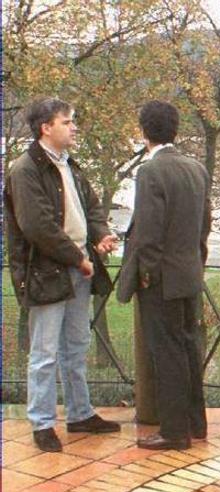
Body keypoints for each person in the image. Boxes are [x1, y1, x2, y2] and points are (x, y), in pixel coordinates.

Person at [4, 97, 120, 452]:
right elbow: (37, 226)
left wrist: (100, 235)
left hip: (79, 268)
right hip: (46, 272)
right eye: (67, 122)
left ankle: (80, 413)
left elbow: (91, 207)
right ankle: (41, 423)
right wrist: (77, 258)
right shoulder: (24, 170)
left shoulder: (70, 164)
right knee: (44, 352)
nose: (74, 127)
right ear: (46, 128)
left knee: (76, 345)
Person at [117, 100, 211, 450]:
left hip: (161, 281)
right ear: (175, 128)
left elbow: (149, 232)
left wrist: (147, 273)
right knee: (188, 348)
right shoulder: (196, 169)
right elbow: (204, 225)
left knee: (168, 353)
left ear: (144, 131)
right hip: (189, 274)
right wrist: (196, 262)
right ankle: (196, 424)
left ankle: (173, 432)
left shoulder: (150, 172)